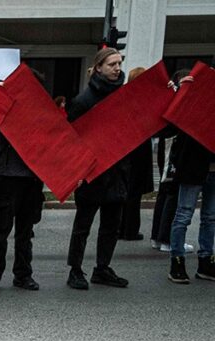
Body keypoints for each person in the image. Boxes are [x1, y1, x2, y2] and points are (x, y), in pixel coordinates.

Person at [65, 47, 130, 289]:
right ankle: (75, 270)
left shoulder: (125, 96)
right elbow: (71, 137)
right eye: (112, 64)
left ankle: (102, 268)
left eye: (119, 63)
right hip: (91, 173)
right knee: (83, 225)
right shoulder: (84, 100)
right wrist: (76, 171)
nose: (117, 68)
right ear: (99, 67)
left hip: (118, 172)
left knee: (111, 226)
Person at [0, 131, 44, 292]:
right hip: (4, 177)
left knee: (25, 232)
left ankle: (23, 275)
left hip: (30, 179)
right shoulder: (1, 113)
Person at [166, 69, 214, 283]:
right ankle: (177, 260)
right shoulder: (198, 88)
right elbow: (174, 118)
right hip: (194, 163)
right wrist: (180, 91)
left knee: (210, 217)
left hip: (212, 167)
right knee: (184, 214)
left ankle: (206, 260)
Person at [119, 70, 154, 242]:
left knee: (126, 192)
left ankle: (122, 228)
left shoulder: (125, 97)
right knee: (134, 194)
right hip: (139, 151)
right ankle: (130, 230)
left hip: (126, 151)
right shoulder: (142, 99)